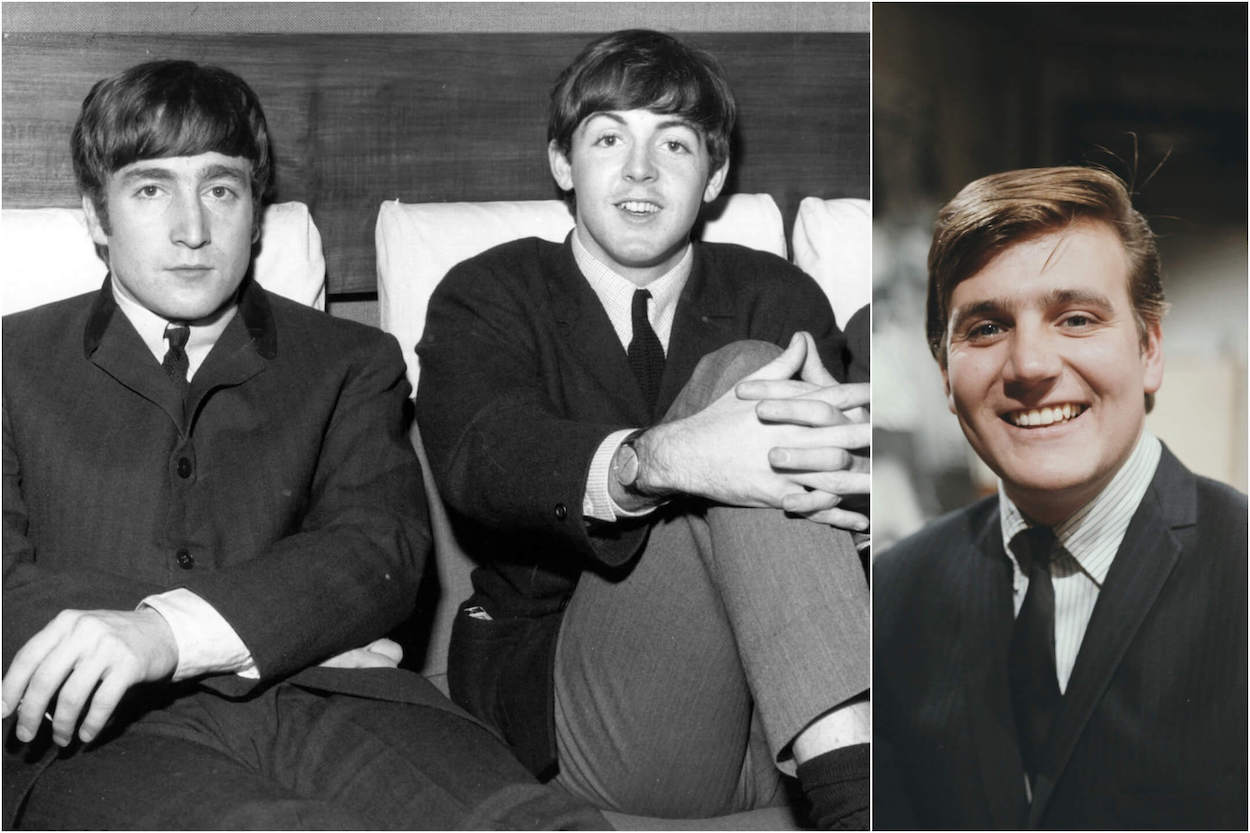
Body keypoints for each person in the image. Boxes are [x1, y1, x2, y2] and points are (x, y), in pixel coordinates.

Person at [0, 59, 605, 830]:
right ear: (96, 215)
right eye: (151, 189)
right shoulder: (10, 363)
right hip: (94, 737)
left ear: (255, 211)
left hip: (342, 703)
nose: (193, 229)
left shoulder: (350, 359)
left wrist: (176, 636)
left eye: (220, 188)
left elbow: (378, 551)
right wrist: (264, 634)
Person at [415, 29, 870, 828]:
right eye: (607, 137)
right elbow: (482, 458)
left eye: (675, 143)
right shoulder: (489, 293)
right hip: (594, 699)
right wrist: (659, 460)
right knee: (750, 375)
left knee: (759, 370)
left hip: (783, 718)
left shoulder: (777, 292)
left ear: (716, 172)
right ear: (563, 163)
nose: (639, 171)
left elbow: (836, 501)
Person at [873, 166, 1247, 829]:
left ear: (1150, 347)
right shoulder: (893, 594)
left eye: (1074, 318)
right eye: (986, 328)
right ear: (944, 372)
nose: (1030, 366)